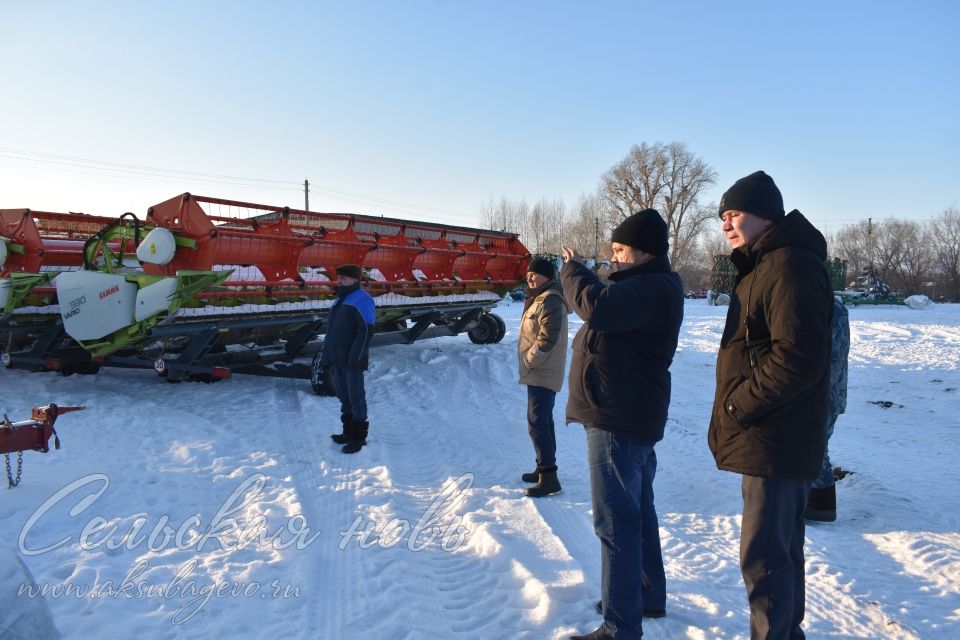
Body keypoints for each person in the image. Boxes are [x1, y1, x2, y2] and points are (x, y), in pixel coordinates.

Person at [708, 171, 833, 639]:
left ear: (766, 215)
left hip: (775, 438)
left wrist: (739, 407)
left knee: (764, 559)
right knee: (778, 555)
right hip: (772, 437)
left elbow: (796, 357)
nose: (726, 224)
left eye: (734, 213)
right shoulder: (765, 264)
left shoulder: (788, 265)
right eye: (722, 216)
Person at [562, 209, 684, 640]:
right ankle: (643, 596)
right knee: (637, 514)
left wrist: (573, 271)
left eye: (620, 250)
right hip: (624, 414)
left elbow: (595, 307)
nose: (613, 258)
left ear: (645, 251)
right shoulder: (644, 286)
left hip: (618, 418)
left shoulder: (651, 287)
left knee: (615, 523)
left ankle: (619, 625)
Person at [517, 256, 569, 498]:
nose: (530, 277)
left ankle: (549, 476)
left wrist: (530, 360)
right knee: (541, 421)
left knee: (537, 422)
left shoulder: (549, 300)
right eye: (529, 273)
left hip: (543, 369)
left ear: (548, 276)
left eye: (535, 273)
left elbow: (548, 337)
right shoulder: (538, 298)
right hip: (539, 369)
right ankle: (543, 469)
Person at [805, 296, 850, 522]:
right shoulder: (837, 306)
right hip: (835, 389)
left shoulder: (817, 305)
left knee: (813, 448)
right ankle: (819, 501)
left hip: (820, 391)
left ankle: (820, 502)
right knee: (819, 445)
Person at [323, 264, 376, 454]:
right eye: (339, 278)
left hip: (352, 359)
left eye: (344, 278)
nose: (340, 281)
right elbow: (333, 332)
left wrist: (357, 355)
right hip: (337, 357)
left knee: (356, 397)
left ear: (355, 280)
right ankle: (347, 433)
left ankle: (358, 437)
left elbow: (366, 331)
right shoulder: (340, 299)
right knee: (343, 396)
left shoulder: (362, 299)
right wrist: (327, 354)